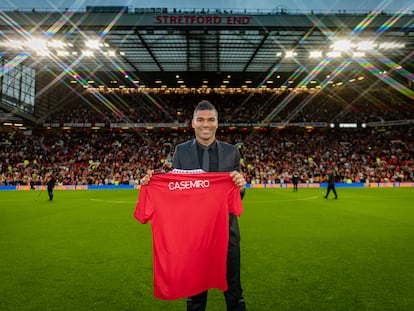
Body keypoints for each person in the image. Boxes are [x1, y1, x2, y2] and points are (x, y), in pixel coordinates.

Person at [140, 100, 247, 311]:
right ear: (193, 123)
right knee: (195, 297)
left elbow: (235, 193)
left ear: (217, 123)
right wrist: (150, 182)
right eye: (200, 119)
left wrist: (241, 186)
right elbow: (176, 186)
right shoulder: (181, 151)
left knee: (234, 292)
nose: (205, 124)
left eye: (210, 119)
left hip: (226, 233)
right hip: (194, 237)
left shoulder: (231, 152)